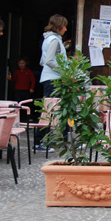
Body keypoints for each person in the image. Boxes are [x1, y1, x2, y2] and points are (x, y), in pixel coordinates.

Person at [37, 14, 68, 151]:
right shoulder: (54, 40)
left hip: (50, 78)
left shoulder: (48, 39)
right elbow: (49, 61)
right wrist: (64, 71)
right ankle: (39, 141)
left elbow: (42, 61)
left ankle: (66, 139)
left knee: (50, 110)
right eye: (65, 26)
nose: (66, 29)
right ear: (60, 26)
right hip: (53, 79)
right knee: (49, 110)